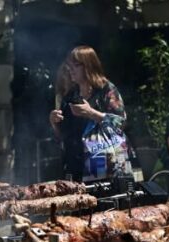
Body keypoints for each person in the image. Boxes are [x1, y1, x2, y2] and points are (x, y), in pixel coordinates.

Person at [49, 46, 130, 182]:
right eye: (69, 66)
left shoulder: (106, 90)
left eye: (75, 65)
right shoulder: (70, 96)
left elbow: (121, 123)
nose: (70, 70)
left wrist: (91, 113)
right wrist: (54, 122)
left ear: (88, 66)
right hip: (74, 169)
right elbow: (61, 137)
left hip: (105, 168)